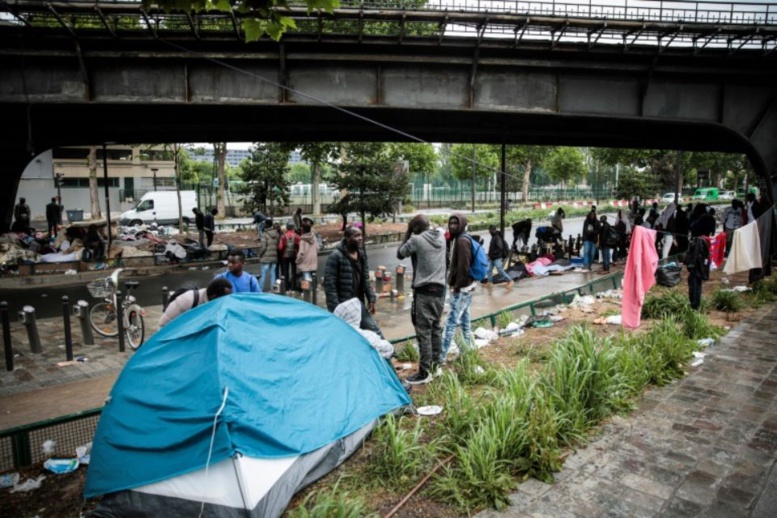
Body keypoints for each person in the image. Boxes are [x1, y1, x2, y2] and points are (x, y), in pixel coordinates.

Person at [396, 214, 447, 384]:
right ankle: (437, 366)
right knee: (436, 329)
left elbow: (400, 254)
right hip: (440, 291)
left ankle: (424, 373)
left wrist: (409, 231)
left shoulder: (416, 240)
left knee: (423, 332)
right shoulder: (441, 237)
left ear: (416, 228)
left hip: (424, 291)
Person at [324, 225, 380, 336]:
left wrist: (371, 298)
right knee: (344, 336)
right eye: (356, 236)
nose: (360, 238)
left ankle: (391, 353)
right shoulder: (335, 257)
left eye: (361, 235)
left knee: (374, 331)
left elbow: (365, 279)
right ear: (347, 238)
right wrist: (336, 309)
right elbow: (330, 286)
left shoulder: (361, 254)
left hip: (358, 304)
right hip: (342, 306)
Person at [441, 214, 477, 362]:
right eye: (451, 223)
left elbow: (463, 266)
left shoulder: (462, 241)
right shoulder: (457, 239)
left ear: (462, 224)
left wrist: (457, 286)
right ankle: (467, 351)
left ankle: (440, 358)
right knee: (465, 321)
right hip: (466, 287)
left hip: (461, 288)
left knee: (450, 323)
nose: (453, 226)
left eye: (456, 223)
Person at [158, 278, 233, 329]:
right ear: (213, 296)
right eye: (224, 298)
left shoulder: (214, 304)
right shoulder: (187, 300)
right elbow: (163, 324)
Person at [296, 217, 319, 287]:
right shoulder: (314, 237)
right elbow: (318, 248)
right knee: (313, 278)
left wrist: (297, 260)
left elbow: (301, 253)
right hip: (313, 260)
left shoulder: (302, 240)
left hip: (305, 262)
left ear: (303, 230)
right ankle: (314, 292)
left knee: (307, 280)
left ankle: (308, 294)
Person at [258, 218, 279, 292]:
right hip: (274, 256)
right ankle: (273, 289)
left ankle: (260, 289)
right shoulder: (276, 234)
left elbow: (263, 247)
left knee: (263, 274)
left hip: (266, 257)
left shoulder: (264, 234)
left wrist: (259, 254)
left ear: (266, 225)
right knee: (273, 273)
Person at [278, 221, 301, 291]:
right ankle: (293, 287)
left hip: (285, 255)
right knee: (293, 271)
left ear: (287, 227)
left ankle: (286, 287)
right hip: (294, 255)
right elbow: (299, 246)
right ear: (293, 227)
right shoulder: (297, 236)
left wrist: (282, 253)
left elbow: (280, 247)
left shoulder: (283, 236)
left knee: (285, 271)